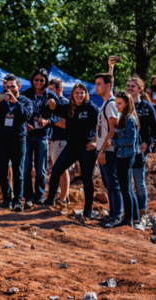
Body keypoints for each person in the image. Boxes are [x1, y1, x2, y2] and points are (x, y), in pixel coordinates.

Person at [45, 84, 99, 220]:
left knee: (87, 179)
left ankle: (88, 210)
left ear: (85, 94)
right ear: (72, 95)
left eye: (81, 93)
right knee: (56, 170)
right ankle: (50, 200)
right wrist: (51, 104)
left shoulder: (91, 108)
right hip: (71, 147)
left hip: (86, 148)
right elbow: (55, 108)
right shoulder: (69, 107)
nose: (79, 95)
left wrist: (95, 141)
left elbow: (102, 126)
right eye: (76, 93)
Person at [0, 74, 33, 212]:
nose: (9, 89)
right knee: (1, 171)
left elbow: (27, 116)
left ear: (18, 87)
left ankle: (18, 202)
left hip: (18, 139)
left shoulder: (25, 101)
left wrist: (15, 103)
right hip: (2, 139)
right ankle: (7, 199)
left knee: (18, 172)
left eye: (12, 86)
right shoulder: (0, 100)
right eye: (7, 87)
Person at [22, 68, 60, 209]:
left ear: (46, 82)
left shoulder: (51, 96)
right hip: (26, 136)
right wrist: (24, 123)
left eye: (42, 80)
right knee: (26, 169)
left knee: (41, 170)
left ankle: (39, 196)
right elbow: (17, 110)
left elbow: (59, 114)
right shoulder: (25, 94)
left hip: (42, 137)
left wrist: (47, 122)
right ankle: (28, 197)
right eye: (36, 79)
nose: (38, 82)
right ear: (32, 80)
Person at [126, 76, 156, 223]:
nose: (130, 88)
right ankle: (128, 212)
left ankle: (142, 213)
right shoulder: (125, 106)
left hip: (140, 151)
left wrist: (147, 142)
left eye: (133, 86)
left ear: (140, 89)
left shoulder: (147, 107)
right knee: (126, 183)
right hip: (124, 151)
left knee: (139, 183)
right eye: (128, 86)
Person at [90, 73, 123, 224]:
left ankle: (117, 216)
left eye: (98, 84)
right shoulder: (105, 103)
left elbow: (113, 130)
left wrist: (102, 150)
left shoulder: (110, 104)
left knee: (114, 184)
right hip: (103, 150)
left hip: (108, 152)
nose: (95, 87)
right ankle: (113, 213)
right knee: (109, 184)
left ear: (107, 86)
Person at [107, 91, 140, 228]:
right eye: (116, 103)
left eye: (119, 103)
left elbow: (130, 140)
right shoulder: (124, 117)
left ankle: (128, 219)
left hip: (126, 157)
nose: (117, 106)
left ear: (127, 104)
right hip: (123, 155)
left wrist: (113, 142)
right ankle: (135, 218)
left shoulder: (130, 119)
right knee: (128, 189)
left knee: (125, 189)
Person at [47, 78, 71, 205]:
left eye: (51, 90)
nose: (49, 92)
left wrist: (50, 119)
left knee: (62, 169)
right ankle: (64, 197)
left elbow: (67, 124)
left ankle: (63, 199)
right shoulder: (54, 103)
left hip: (63, 140)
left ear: (59, 89)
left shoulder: (64, 103)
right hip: (56, 140)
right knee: (58, 169)